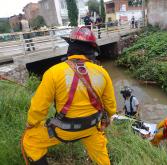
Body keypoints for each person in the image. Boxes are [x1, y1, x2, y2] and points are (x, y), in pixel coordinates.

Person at [22, 26, 117, 165]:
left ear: (71, 48)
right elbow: (111, 107)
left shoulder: (53, 72)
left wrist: (31, 123)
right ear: (91, 51)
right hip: (91, 128)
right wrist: (105, 118)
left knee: (30, 140)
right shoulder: (103, 73)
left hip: (63, 130)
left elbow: (39, 108)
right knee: (102, 155)